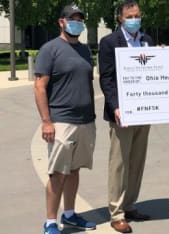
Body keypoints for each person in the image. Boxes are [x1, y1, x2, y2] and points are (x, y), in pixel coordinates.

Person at [34, 3, 96, 234]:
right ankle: (50, 221)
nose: (77, 22)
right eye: (73, 18)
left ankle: (69, 214)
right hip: (61, 121)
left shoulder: (85, 49)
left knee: (75, 170)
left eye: (80, 19)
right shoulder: (50, 49)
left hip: (85, 121)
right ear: (62, 22)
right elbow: (40, 86)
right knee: (58, 173)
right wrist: (46, 121)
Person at [98, 0, 154, 232]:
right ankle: (117, 212)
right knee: (119, 164)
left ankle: (130, 204)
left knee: (137, 162)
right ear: (120, 18)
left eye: (138, 15)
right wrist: (115, 107)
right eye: (130, 15)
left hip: (145, 112)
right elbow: (107, 79)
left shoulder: (147, 40)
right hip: (122, 113)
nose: (135, 19)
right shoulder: (109, 42)